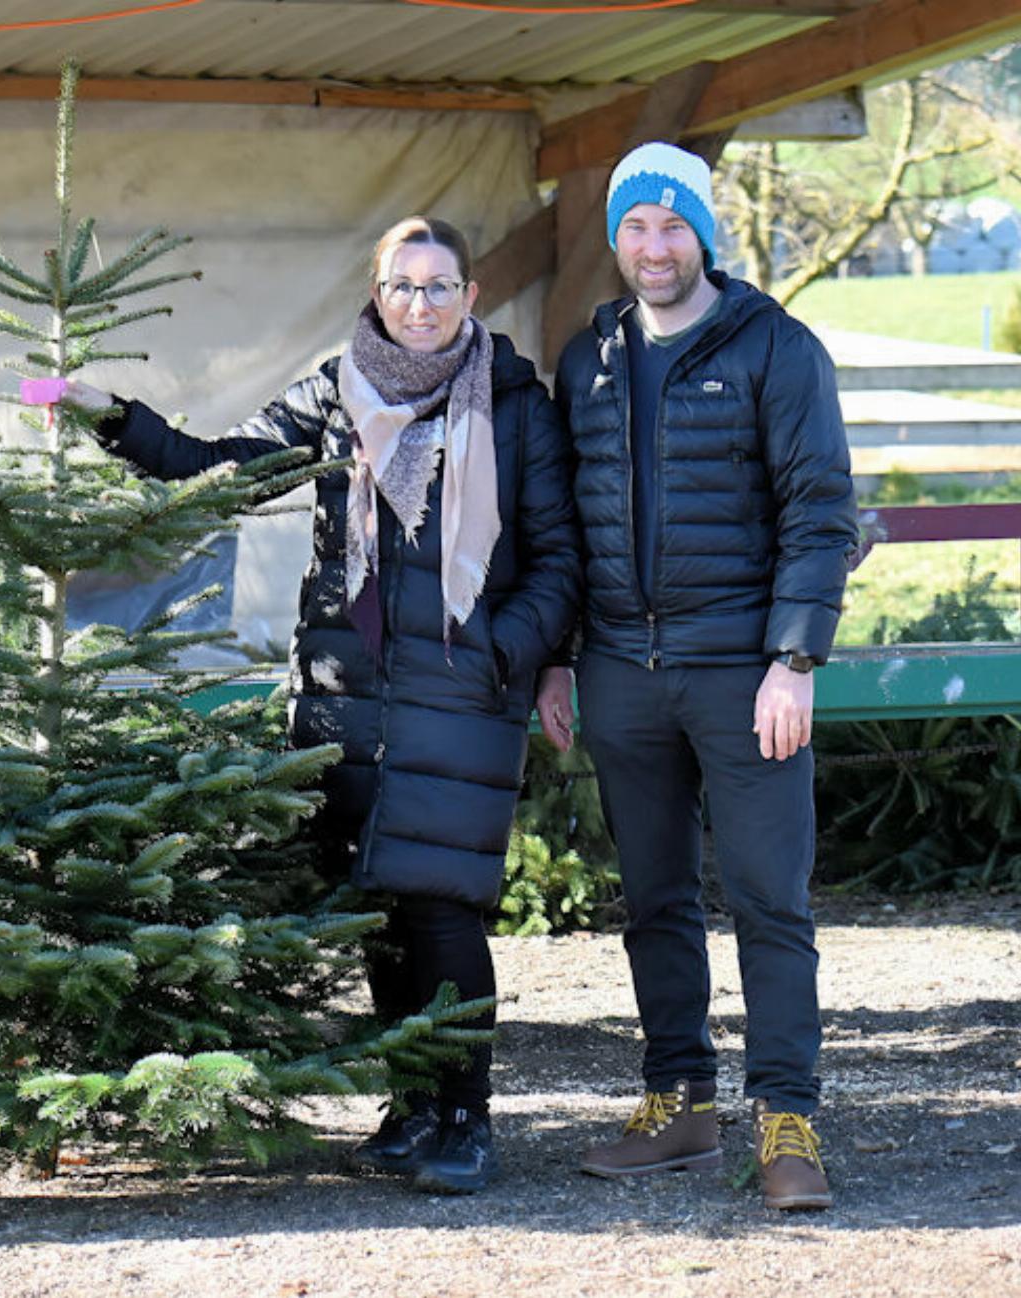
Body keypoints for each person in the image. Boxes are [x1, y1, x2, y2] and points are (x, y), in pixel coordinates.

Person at [70, 216, 580, 1195]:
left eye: (439, 286)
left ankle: (466, 1116)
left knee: (441, 906)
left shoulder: (517, 405)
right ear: (376, 294)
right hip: (348, 693)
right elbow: (225, 469)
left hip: (462, 692)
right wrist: (112, 417)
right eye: (403, 286)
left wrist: (502, 652)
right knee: (379, 904)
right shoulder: (333, 393)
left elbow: (560, 559)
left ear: (470, 296)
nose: (421, 304)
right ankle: (413, 1102)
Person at [540, 142, 857, 1209]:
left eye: (673, 225)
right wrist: (555, 654)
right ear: (617, 238)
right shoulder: (587, 360)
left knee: (771, 899)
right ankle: (679, 1104)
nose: (653, 246)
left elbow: (821, 511)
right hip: (623, 673)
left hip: (742, 672)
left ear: (704, 234)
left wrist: (794, 656)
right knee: (657, 899)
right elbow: (567, 528)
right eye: (635, 225)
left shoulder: (776, 348)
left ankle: (786, 1118)